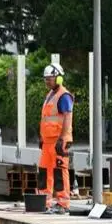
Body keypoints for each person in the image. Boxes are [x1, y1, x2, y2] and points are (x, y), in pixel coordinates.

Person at [38, 63, 74, 214]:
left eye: (50, 79)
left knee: (60, 171)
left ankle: (62, 203)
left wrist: (62, 137)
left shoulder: (64, 96)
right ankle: (44, 201)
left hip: (58, 140)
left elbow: (67, 117)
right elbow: (46, 119)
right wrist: (41, 137)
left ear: (58, 78)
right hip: (47, 141)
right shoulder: (50, 95)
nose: (47, 82)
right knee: (44, 171)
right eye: (46, 79)